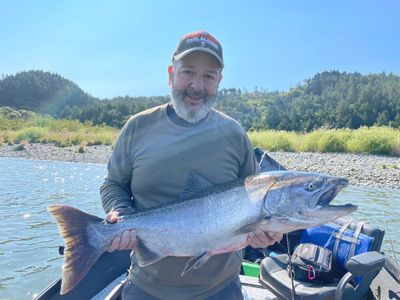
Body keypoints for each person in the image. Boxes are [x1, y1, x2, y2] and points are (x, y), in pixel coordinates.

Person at [100, 30, 283, 300]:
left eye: (208, 76)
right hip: (147, 288)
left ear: (219, 81)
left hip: (221, 290)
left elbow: (255, 201)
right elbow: (113, 184)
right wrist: (121, 216)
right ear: (171, 74)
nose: (197, 86)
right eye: (188, 72)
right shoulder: (138, 127)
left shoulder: (235, 135)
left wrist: (268, 232)